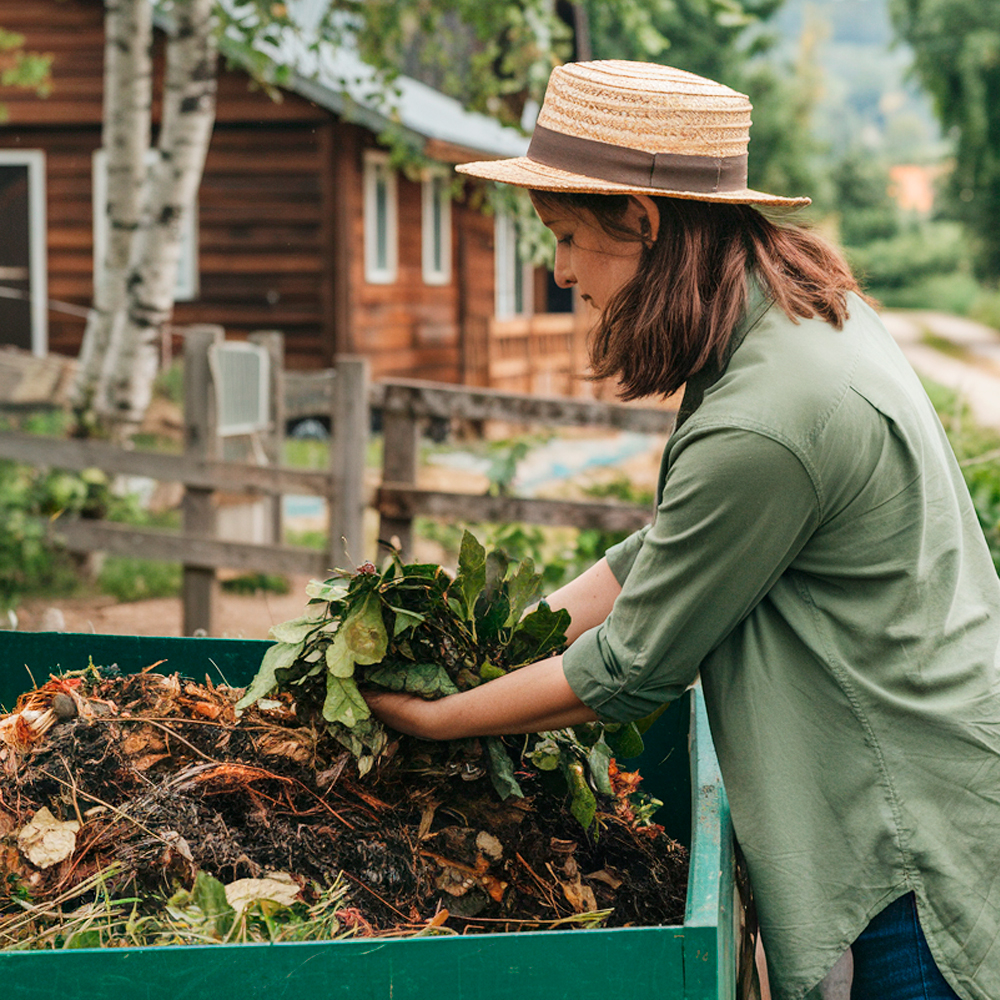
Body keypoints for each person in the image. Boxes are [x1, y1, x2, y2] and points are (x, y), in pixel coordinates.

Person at [364, 60, 1000, 1000]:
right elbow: (664, 552)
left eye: (571, 236)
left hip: (899, 841)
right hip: (932, 780)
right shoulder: (794, 324)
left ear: (646, 222)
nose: (560, 271)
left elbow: (631, 668)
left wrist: (436, 718)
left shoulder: (767, 418)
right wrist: (498, 645)